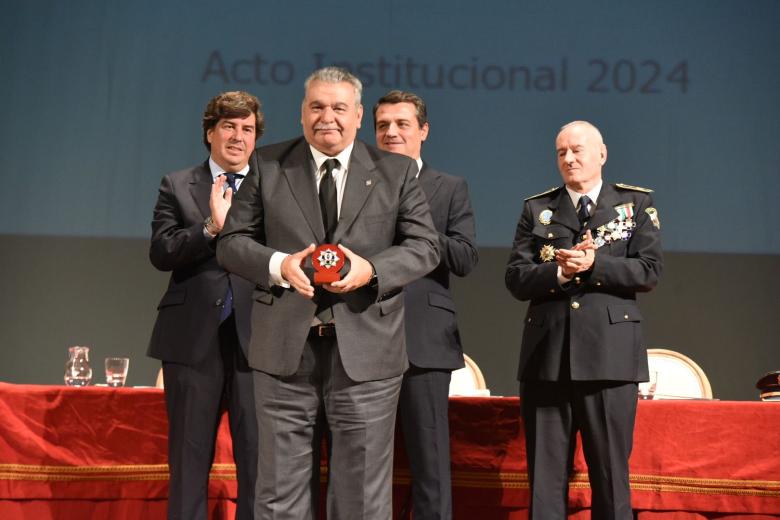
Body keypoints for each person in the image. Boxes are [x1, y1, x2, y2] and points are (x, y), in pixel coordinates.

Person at [217, 67, 439, 520]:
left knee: (361, 499)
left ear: (358, 116)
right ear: (302, 114)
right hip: (284, 354)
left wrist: (370, 270)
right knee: (278, 496)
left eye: (339, 108)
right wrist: (280, 266)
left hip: (368, 356)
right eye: (317, 106)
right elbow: (231, 243)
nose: (327, 117)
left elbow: (425, 246)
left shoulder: (395, 172)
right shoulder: (268, 164)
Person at [504, 121, 663, 519]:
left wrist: (594, 265)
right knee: (544, 480)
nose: (569, 159)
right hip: (547, 359)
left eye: (577, 150)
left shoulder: (635, 204)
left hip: (609, 359)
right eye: (561, 153)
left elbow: (648, 271)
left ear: (602, 154)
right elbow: (516, 278)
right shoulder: (537, 209)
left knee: (610, 476)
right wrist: (560, 274)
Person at [148, 91, 263, 520]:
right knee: (189, 460)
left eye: (247, 129)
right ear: (210, 132)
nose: (238, 137)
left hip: (258, 341)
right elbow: (161, 252)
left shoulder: (272, 188)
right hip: (192, 338)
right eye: (229, 126)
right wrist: (211, 227)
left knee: (258, 461)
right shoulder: (177, 185)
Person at [373, 90, 478, 520]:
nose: (392, 133)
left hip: (425, 340)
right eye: (383, 126)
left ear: (423, 131)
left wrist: (418, 226)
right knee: (363, 463)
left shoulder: (449, 187)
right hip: (365, 336)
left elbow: (465, 258)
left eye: (402, 124)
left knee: (430, 464)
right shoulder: (357, 184)